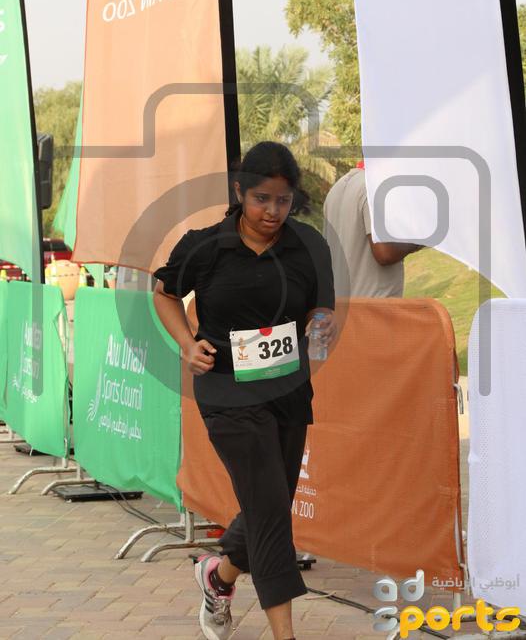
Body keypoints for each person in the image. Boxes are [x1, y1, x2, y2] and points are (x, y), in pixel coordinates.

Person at [153, 142, 336, 640]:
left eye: (283, 200)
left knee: (268, 503)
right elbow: (165, 295)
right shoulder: (204, 246)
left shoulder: (309, 246)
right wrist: (187, 343)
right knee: (272, 513)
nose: (272, 211)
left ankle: (219, 576)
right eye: (261, 199)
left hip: (288, 392)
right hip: (226, 391)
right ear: (239, 192)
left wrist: (322, 322)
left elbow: (321, 307)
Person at [323, 164, 421, 298]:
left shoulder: (336, 189)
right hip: (373, 306)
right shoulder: (374, 187)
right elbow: (385, 252)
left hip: (342, 305)